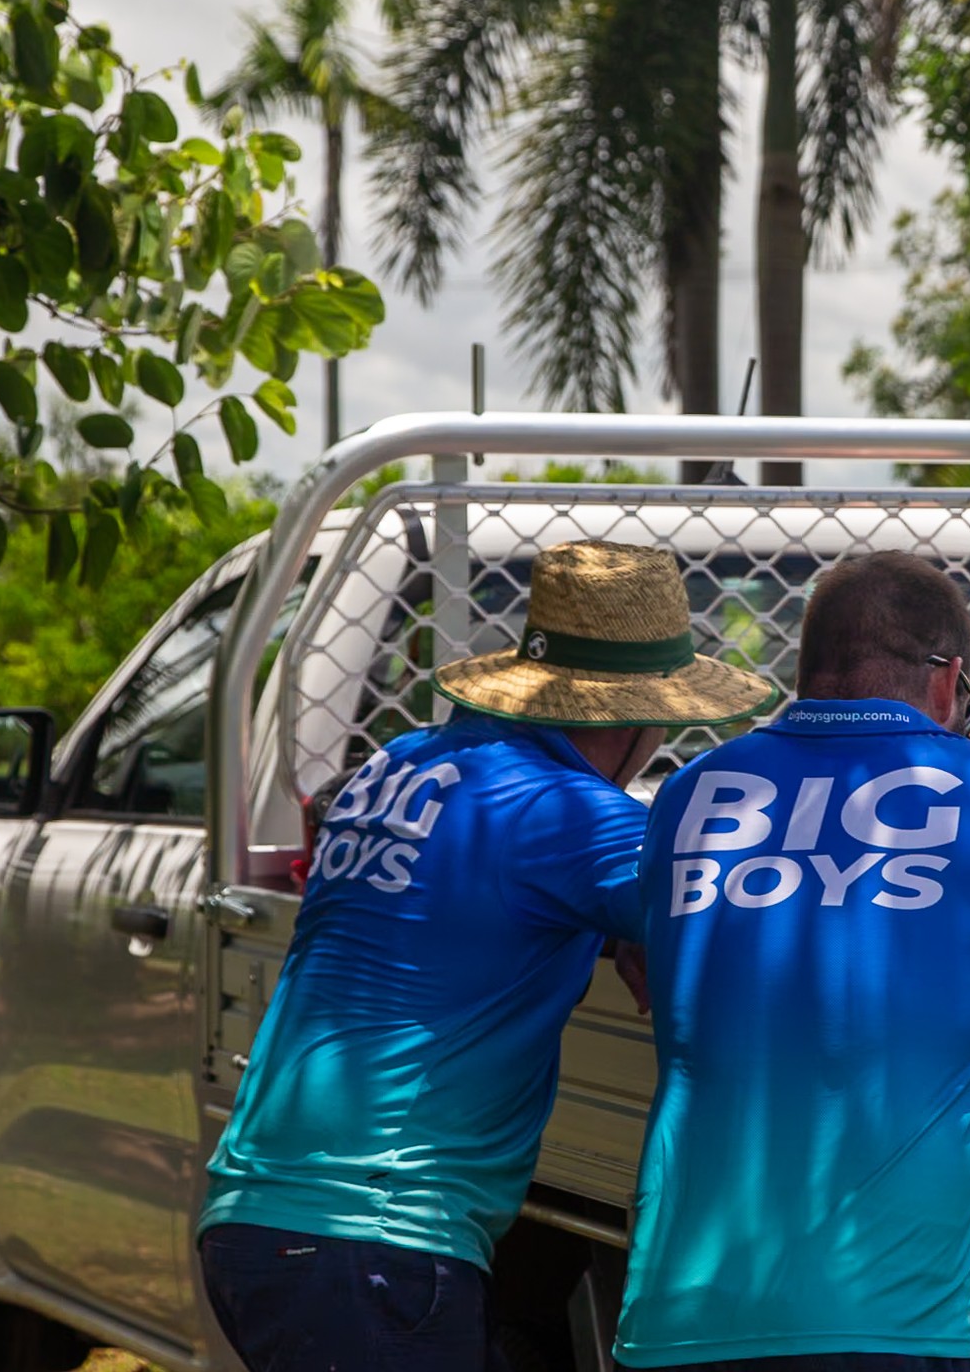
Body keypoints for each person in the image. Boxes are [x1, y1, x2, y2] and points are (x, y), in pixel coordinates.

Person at [198, 541, 779, 1372]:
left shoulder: (398, 764)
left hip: (265, 1216)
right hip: (376, 1237)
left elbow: (454, 905)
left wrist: (615, 927)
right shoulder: (567, 815)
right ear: (639, 715)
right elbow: (757, 929)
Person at [610, 550, 970, 1369]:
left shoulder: (689, 794)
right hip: (893, 1329)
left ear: (806, 670)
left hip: (677, 1321)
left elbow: (666, 958)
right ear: (948, 679)